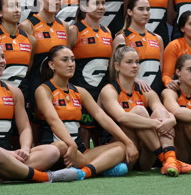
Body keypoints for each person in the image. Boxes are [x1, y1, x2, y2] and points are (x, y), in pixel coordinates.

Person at [0, 42, 83, 183]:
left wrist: (24, 148)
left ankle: (3, 175)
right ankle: (43, 176)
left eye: (3, 57)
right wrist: (8, 153)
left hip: (12, 153)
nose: (2, 61)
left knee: (53, 151)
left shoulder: (14, 92)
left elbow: (24, 127)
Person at [35, 45, 137, 178]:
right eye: (65, 60)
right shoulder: (44, 90)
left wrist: (128, 142)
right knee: (61, 146)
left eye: (73, 60)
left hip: (79, 152)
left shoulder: (79, 91)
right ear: (52, 65)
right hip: (58, 149)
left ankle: (84, 172)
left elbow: (102, 117)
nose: (71, 64)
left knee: (121, 147)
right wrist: (71, 145)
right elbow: (53, 120)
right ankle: (101, 167)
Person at [99, 45, 191, 176]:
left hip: (145, 157)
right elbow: (122, 117)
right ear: (117, 66)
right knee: (140, 111)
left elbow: (164, 112)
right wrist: (156, 124)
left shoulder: (144, 89)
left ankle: (170, 160)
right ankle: (167, 159)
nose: (135, 66)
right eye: (129, 62)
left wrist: (171, 120)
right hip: (121, 151)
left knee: (160, 114)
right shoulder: (109, 90)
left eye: (137, 62)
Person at [67, 0, 112, 149]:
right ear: (84, 7)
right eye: (96, 3)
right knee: (83, 142)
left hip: (102, 93)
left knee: (103, 138)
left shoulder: (107, 32)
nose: (101, 7)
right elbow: (65, 61)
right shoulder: (75, 30)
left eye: (103, 3)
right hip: (81, 91)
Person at [19, 0, 68, 118]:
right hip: (35, 87)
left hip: (59, 89)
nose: (57, 2)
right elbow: (26, 66)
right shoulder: (27, 26)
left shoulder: (65, 26)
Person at [112, 0, 164, 93]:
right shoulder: (122, 38)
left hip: (156, 94)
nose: (145, 13)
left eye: (148, 9)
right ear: (130, 12)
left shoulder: (158, 39)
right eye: (141, 9)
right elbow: (114, 71)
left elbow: (161, 70)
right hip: (133, 94)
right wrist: (135, 80)